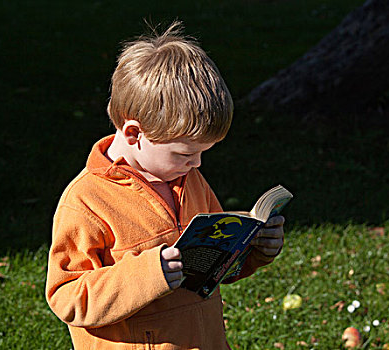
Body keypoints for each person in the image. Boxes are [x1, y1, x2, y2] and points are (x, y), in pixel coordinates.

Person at [45, 21, 285, 350]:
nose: (197, 163)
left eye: (203, 152)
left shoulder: (189, 180)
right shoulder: (87, 201)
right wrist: (148, 274)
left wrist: (255, 249)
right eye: (185, 153)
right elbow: (68, 297)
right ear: (133, 134)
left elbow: (211, 269)